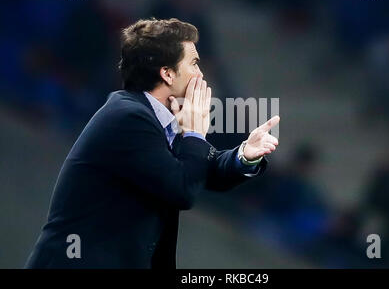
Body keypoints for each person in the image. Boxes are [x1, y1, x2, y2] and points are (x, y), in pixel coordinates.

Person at [24, 18, 280, 268]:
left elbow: (203, 167)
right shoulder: (127, 118)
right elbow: (182, 188)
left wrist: (245, 155)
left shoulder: (158, 119)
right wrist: (194, 133)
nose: (201, 74)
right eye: (194, 63)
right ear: (167, 73)